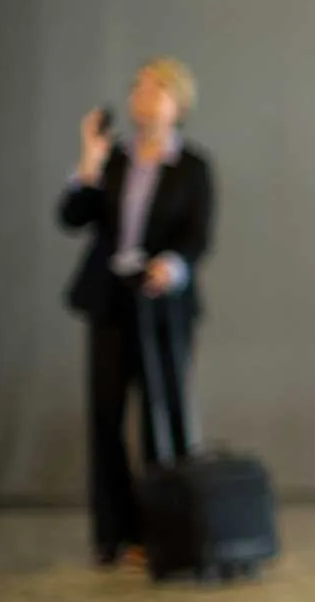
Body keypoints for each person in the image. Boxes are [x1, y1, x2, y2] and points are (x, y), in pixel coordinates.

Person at [58, 59, 215, 568]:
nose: (142, 97)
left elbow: (197, 238)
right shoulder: (115, 159)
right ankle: (113, 534)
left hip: (163, 303)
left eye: (155, 90)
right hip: (111, 298)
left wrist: (171, 266)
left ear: (178, 104)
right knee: (105, 416)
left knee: (160, 418)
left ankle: (161, 531)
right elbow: (72, 217)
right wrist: (89, 159)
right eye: (138, 88)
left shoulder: (193, 167)